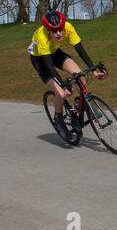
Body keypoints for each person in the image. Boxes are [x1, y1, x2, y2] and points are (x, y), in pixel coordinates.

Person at [28, 10, 107, 141]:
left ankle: (79, 102)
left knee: (80, 76)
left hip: (55, 53)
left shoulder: (68, 28)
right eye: (54, 31)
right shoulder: (42, 36)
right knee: (61, 93)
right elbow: (49, 65)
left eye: (60, 29)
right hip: (40, 59)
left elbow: (80, 50)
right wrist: (62, 85)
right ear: (48, 30)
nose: (58, 33)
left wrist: (93, 70)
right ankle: (58, 119)